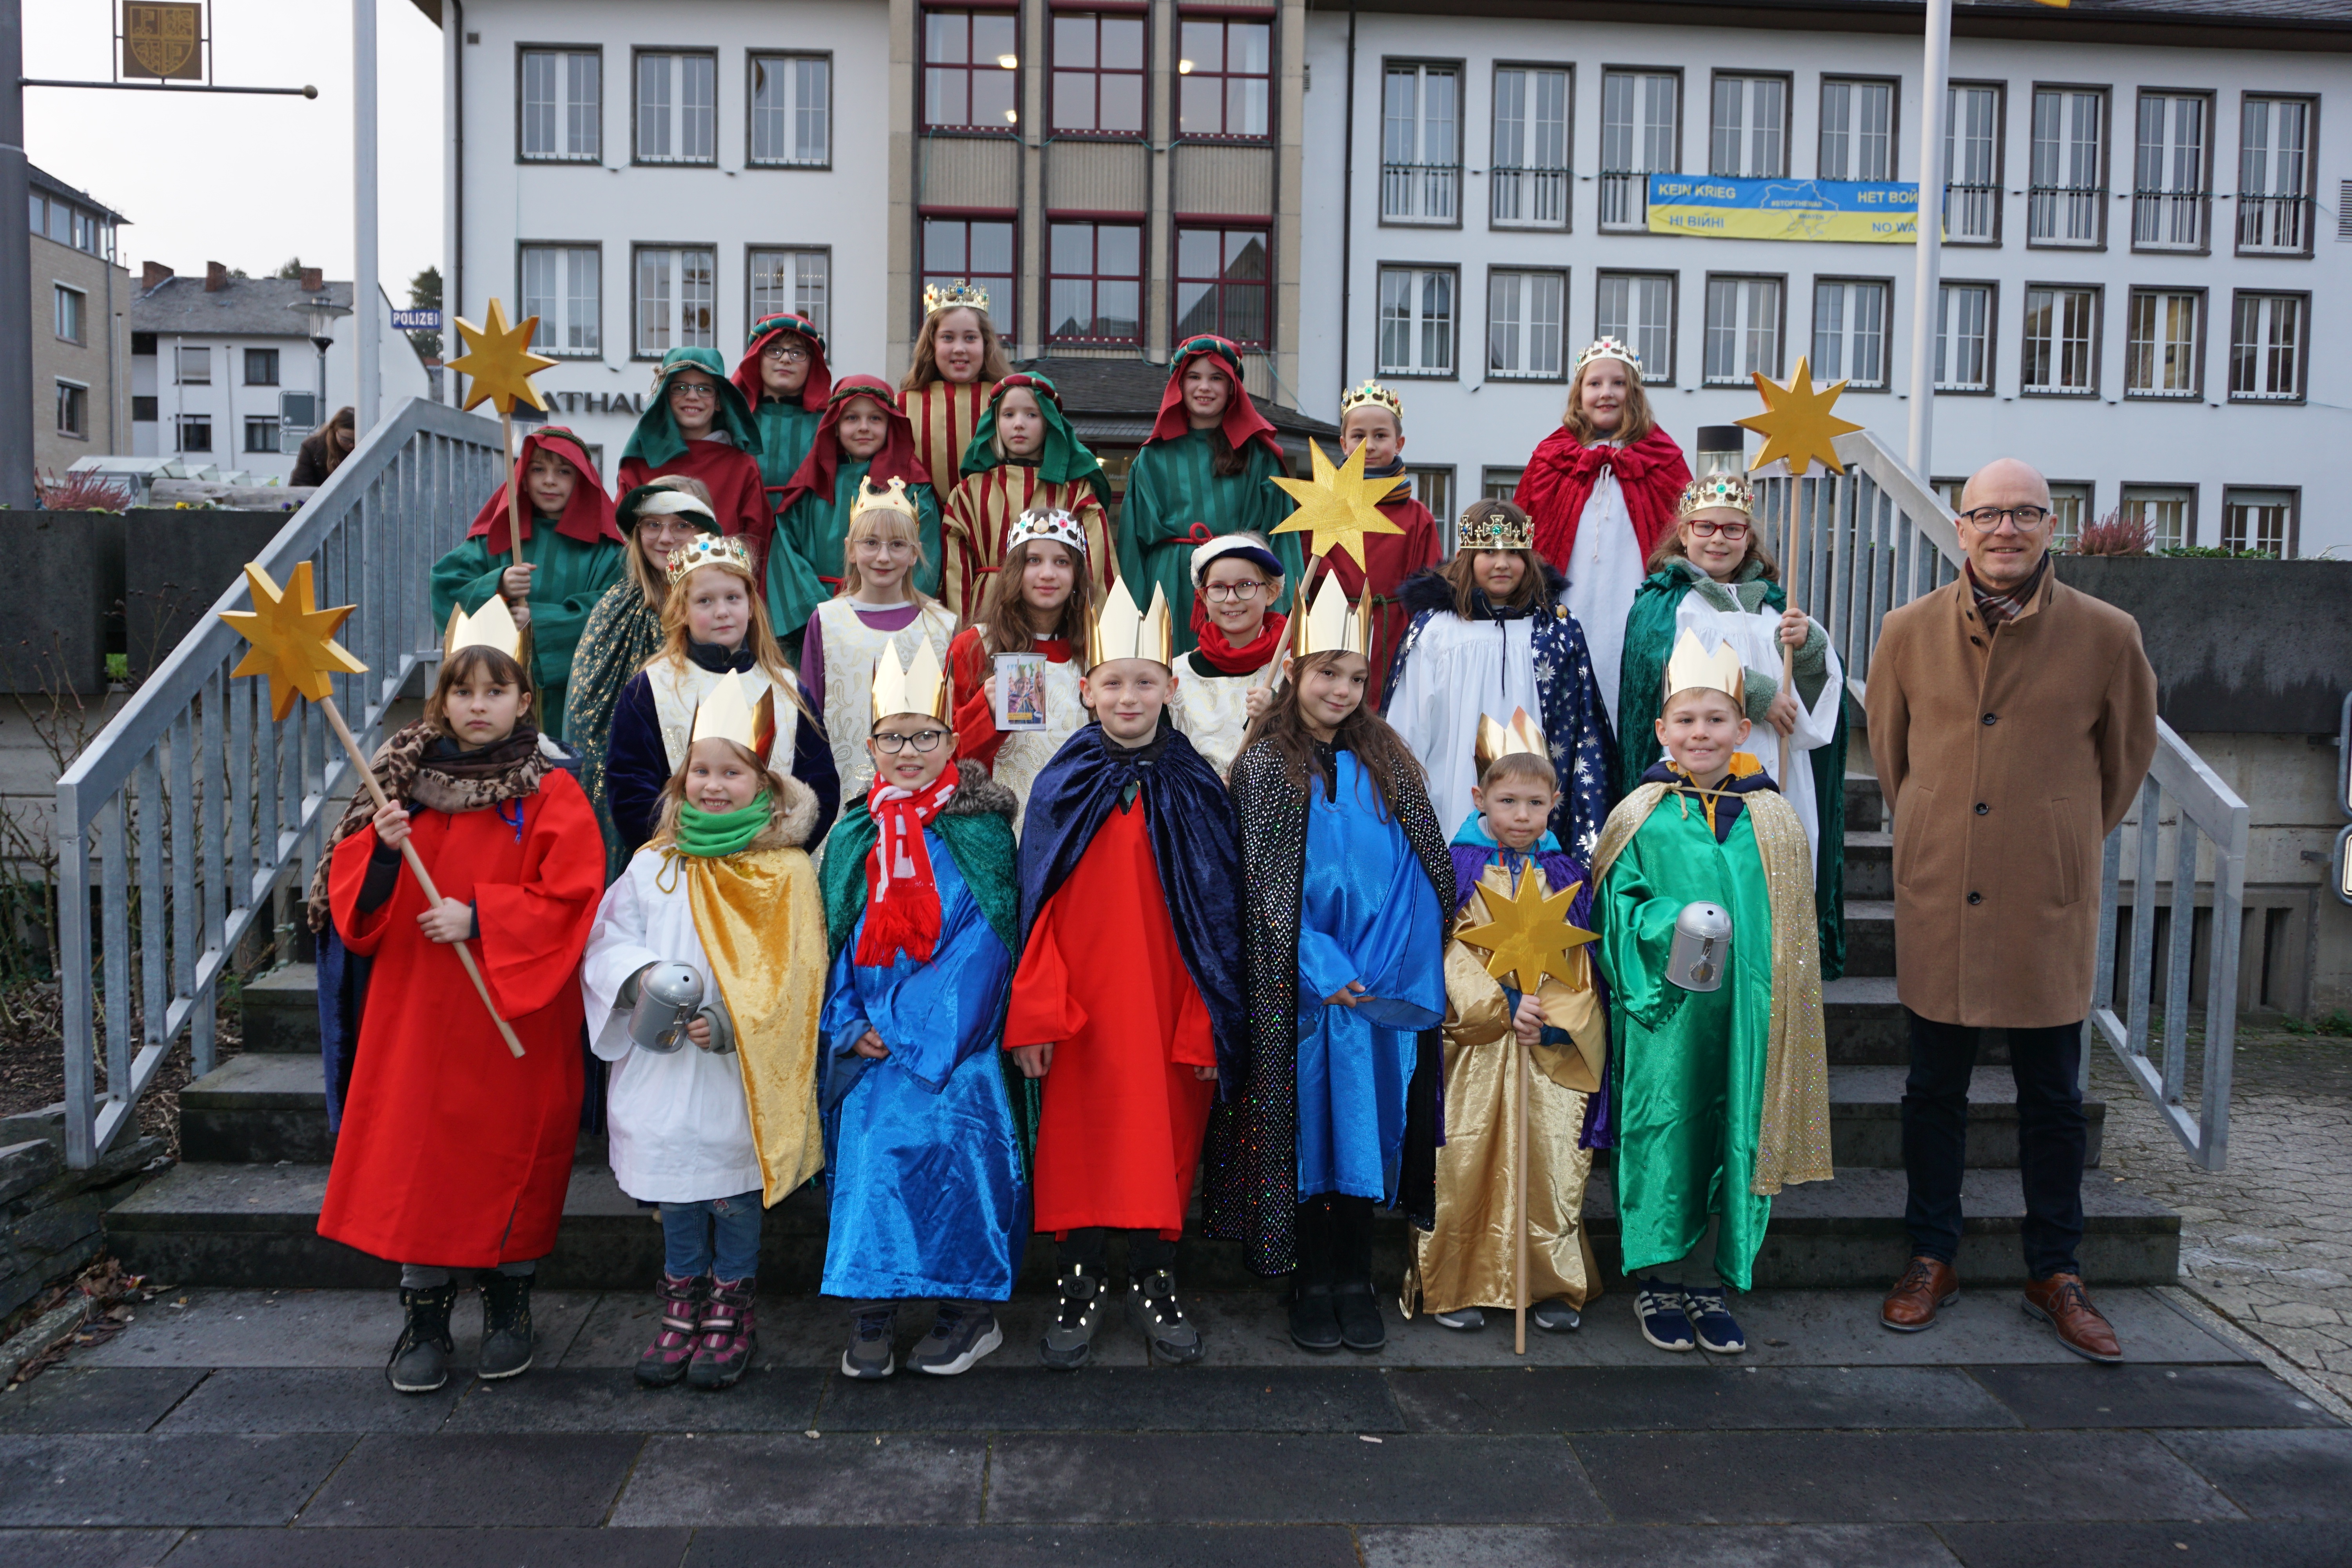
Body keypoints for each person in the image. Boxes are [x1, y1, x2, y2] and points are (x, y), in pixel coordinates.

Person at [1868, 457, 2157, 1362]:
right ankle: (1931, 1254)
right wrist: (1939, 830)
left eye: (2025, 513)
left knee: (2053, 1096)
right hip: (1941, 891)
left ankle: (2055, 1269)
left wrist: (2059, 837)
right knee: (1933, 1089)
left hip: (2043, 898)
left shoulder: (2108, 634)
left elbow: (2124, 762)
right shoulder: (1907, 630)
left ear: (2050, 525)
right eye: (1987, 514)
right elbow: (1893, 758)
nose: (2005, 529)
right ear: (1960, 527)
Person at [310, 598, 606, 1394]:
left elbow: (575, 894)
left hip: (513, 1012)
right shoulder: (398, 784)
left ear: (523, 700)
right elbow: (353, 911)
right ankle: (426, 1312)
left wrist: (482, 918)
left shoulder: (552, 791)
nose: (479, 706)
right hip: (416, 1008)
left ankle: (510, 1303)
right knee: (421, 1158)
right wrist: (382, 850)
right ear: (441, 699)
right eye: (463, 691)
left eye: (495, 691)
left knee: (511, 1156)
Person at [1203, 573, 1451, 1356]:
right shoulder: (1265, 766)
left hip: (1381, 994)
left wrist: (1384, 967)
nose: (1340, 690)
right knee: (1310, 1131)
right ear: (1294, 671)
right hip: (1304, 996)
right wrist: (1322, 963)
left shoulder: (1390, 759)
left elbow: (1426, 867)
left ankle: (1356, 1276)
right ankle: (1311, 1278)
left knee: (1369, 1129)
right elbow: (1260, 883)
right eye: (1326, 673)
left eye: (1354, 676)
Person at [1007, 577, 1247, 1369]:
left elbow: (1217, 919)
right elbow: (1037, 909)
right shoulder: (1061, 782)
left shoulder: (1197, 785)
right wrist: (1036, 1014)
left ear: (1171, 689)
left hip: (1168, 1007)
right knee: (1079, 1147)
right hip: (1079, 1013)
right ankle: (1078, 1283)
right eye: (1114, 683)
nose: (1129, 697)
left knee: (1161, 1146)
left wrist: (1208, 1021)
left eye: (1145, 682)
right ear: (1087, 690)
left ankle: (1155, 1281)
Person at [581, 673, 829, 1390]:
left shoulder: (783, 871)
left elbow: (799, 968)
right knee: (677, 1187)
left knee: (731, 1186)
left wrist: (733, 1023)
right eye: (701, 772)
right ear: (680, 779)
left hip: (733, 1066)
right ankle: (681, 1298)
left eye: (732, 773)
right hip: (661, 1062)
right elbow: (608, 938)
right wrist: (641, 981)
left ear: (765, 786)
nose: (714, 786)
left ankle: (731, 1304)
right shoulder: (654, 863)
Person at [1592, 631, 1832, 1356]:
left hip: (1746, 1015)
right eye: (1687, 720)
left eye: (1717, 720)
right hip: (1667, 1018)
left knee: (1737, 1131)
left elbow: (1792, 925)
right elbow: (1617, 909)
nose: (1701, 733)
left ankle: (1708, 1282)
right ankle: (1659, 1278)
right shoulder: (1640, 813)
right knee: (1668, 1131)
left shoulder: (1773, 818)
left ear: (1743, 729)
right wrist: (1672, 925)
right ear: (1662, 730)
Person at [816, 639, 1028, 1379]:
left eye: (925, 736)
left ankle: (966, 1312)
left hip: (955, 1048)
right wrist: (851, 1023)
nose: (909, 752)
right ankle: (871, 1308)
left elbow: (987, 944)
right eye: (894, 738)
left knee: (959, 1160)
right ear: (871, 745)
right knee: (871, 1160)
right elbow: (836, 940)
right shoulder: (854, 833)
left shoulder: (983, 834)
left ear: (953, 742)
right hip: (869, 1044)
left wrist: (906, 1030)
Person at [1403, 711, 1608, 1334]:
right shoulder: (1455, 870)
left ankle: (1547, 1282)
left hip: (1544, 1051)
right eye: (1508, 801)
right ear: (1479, 798)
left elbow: (1585, 964)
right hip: (1472, 1049)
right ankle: (1455, 1282)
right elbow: (1438, 951)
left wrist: (1553, 1021)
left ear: (1556, 803)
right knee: (1463, 1163)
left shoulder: (1567, 877)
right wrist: (1499, 1003)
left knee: (1549, 1165)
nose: (1522, 816)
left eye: (1536, 803)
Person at [1619, 474, 1849, 978]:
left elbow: (1821, 703)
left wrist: (1810, 647)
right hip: (1699, 768)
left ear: (1749, 537)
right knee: (1708, 880)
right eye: (1705, 527)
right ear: (1684, 533)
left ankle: (1770, 981)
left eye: (1732, 529)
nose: (1718, 539)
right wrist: (1754, 694)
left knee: (1770, 878)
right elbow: (1661, 668)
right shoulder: (1666, 601)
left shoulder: (1774, 604)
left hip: (1777, 763)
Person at [1384, 501, 1616, 862]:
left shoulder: (1556, 630)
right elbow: (1408, 728)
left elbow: (1581, 727)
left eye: (1514, 553)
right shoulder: (1436, 631)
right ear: (1466, 556)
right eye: (1489, 552)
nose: (1502, 563)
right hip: (1451, 792)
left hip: (1534, 805)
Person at [603, 535, 838, 867]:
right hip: (679, 867)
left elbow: (820, 786)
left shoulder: (788, 690)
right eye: (705, 601)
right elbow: (630, 790)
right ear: (681, 611)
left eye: (733, 598)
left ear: (751, 606)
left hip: (770, 870)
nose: (722, 612)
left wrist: (775, 850)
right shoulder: (650, 689)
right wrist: (684, 850)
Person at [1514, 338, 1693, 718]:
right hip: (1568, 603)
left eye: (1618, 383)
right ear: (1579, 394)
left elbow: (1689, 537)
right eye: (1595, 384)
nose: (1606, 393)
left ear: (1634, 393)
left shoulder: (1662, 458)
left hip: (1635, 608)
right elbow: (1523, 533)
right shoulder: (1550, 457)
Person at [430, 425, 626, 743]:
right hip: (496, 687)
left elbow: (616, 609)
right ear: (522, 477)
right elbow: (447, 585)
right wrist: (499, 586)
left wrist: (539, 621)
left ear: (581, 479)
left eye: (563, 471)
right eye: (538, 470)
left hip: (573, 695)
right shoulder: (497, 537)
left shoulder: (606, 551)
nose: (549, 480)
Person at [572, 479, 725, 880]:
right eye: (653, 525)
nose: (665, 538)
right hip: (632, 780)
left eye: (681, 525)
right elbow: (587, 710)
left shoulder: (726, 605)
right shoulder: (617, 606)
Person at [1114, 335, 1302, 653]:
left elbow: (1282, 531)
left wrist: (1285, 603)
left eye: (1216, 378)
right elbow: (1134, 542)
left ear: (1232, 388)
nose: (1205, 387)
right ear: (1179, 385)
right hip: (1169, 584)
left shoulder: (1259, 455)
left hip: (1238, 583)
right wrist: (1132, 610)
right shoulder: (1152, 456)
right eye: (1194, 377)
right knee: (1169, 670)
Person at [799, 478, 960, 801]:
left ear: (914, 553)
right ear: (851, 549)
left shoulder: (941, 626)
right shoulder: (828, 621)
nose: (883, 557)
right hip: (842, 793)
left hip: (925, 799)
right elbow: (809, 720)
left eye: (897, 545)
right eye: (871, 543)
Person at [945, 508, 1096, 829]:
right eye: (1033, 560)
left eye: (1062, 562)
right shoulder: (975, 645)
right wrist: (987, 713)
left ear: (1077, 575)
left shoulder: (1094, 652)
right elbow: (946, 758)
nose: (1047, 574)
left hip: (1074, 826)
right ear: (1015, 570)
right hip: (994, 829)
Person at [768, 376, 941, 647]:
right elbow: (786, 552)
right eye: (851, 418)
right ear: (835, 426)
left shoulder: (914, 487)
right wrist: (825, 614)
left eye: (875, 418)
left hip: (891, 620)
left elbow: (925, 556)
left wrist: (889, 611)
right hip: (818, 621)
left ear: (891, 425)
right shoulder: (811, 486)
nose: (864, 427)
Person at [940, 373, 1114, 621]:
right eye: (1008, 414)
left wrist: (1095, 627)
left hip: (1059, 615)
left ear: (1049, 422)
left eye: (1032, 415)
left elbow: (1097, 566)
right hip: (987, 613)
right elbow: (955, 573)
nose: (1019, 424)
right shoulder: (969, 492)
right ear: (995, 422)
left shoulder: (1076, 492)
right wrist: (961, 629)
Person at [1322, 382, 1443, 689]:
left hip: (1396, 633)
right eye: (1358, 436)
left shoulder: (1418, 516)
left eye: (1380, 436)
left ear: (1399, 443)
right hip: (1336, 630)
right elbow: (1312, 574)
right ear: (1344, 444)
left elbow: (1430, 587)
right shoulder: (1322, 508)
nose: (1369, 446)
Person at [615, 348, 772, 563]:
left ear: (719, 401)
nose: (692, 396)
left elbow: (756, 544)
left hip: (720, 581)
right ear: (665, 396)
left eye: (704, 389)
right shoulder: (638, 465)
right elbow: (623, 540)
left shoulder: (742, 467)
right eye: (680, 388)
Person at [1167, 534, 1286, 778]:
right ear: (1203, 596)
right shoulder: (1176, 675)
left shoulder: (1296, 669)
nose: (1231, 599)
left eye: (1245, 585)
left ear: (1272, 592)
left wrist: (1279, 711)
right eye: (1219, 587)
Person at [900, 280, 1013, 501]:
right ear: (932, 345)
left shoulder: (1008, 402)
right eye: (948, 338)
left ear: (986, 344)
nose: (959, 349)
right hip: (923, 518)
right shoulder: (902, 406)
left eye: (970, 338)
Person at [731, 311, 834, 539]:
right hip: (742, 535)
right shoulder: (733, 422)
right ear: (757, 358)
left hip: (808, 537)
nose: (786, 359)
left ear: (812, 364)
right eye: (774, 350)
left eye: (798, 352)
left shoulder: (831, 426)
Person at [290, 405, 356, 487]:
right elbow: (299, 485)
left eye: (355, 440)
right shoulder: (312, 448)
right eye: (345, 440)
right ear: (334, 431)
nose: (352, 445)